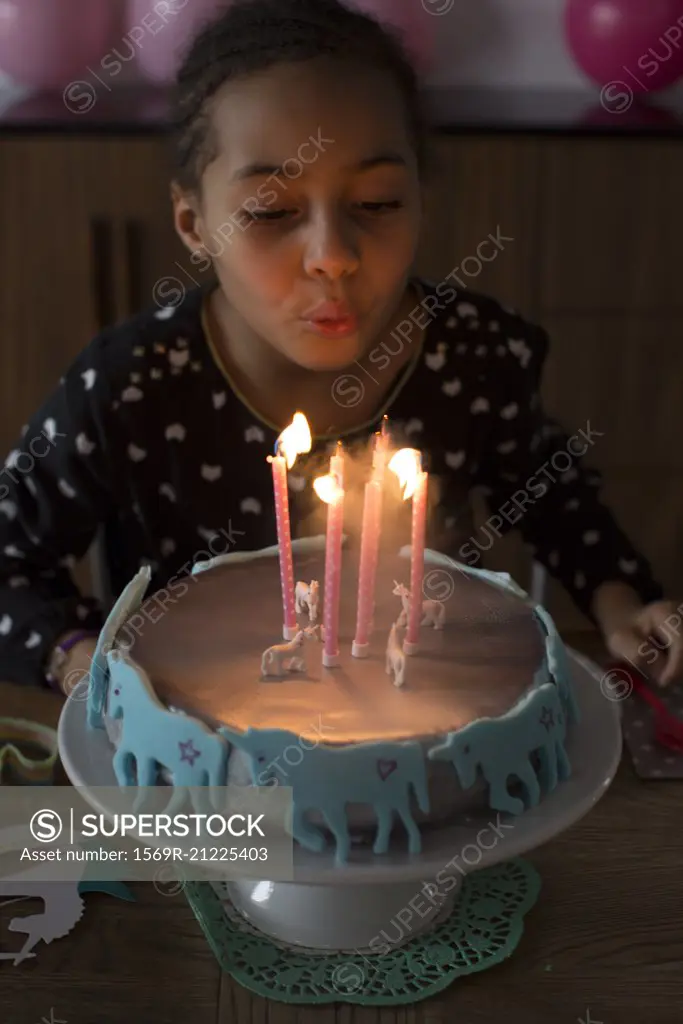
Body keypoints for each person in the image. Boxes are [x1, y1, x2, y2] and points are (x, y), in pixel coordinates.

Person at [0, 0, 680, 695]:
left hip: (421, 726)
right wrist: (77, 654)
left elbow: (554, 498)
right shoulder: (131, 384)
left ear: (420, 196)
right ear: (193, 223)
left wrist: (621, 604)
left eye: (378, 202)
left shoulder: (470, 357)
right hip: (198, 764)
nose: (332, 256)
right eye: (270, 211)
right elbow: (9, 562)